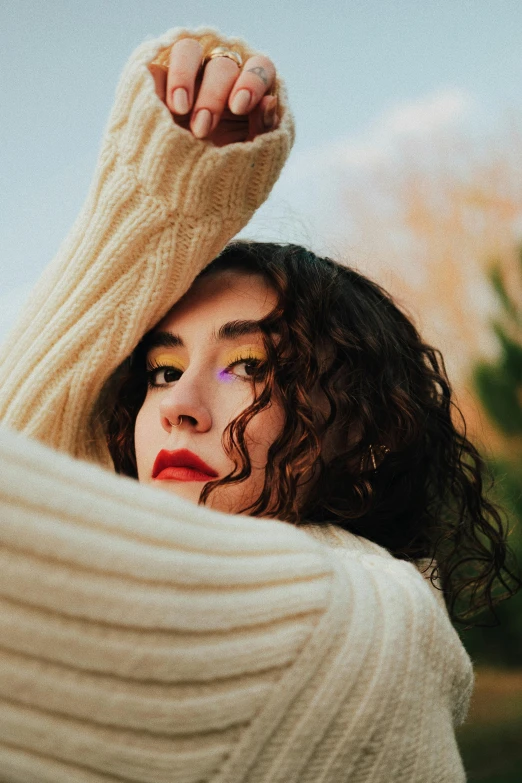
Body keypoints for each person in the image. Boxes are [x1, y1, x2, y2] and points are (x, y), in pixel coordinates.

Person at [0, 24, 518, 783]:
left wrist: (152, 206)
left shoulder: (361, 622)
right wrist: (158, 202)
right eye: (160, 371)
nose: (178, 406)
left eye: (246, 366)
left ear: (367, 439)